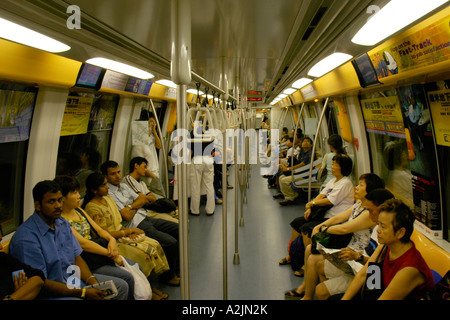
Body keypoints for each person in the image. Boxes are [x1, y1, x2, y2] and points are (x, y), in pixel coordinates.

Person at [8, 180, 129, 300]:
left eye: (59, 200)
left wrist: (92, 282)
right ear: (38, 205)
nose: (58, 206)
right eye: (51, 202)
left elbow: (76, 258)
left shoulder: (62, 223)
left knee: (121, 286)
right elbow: (40, 282)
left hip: (73, 281)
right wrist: (82, 293)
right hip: (52, 294)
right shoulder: (26, 239)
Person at [285, 188, 395, 300]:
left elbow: (372, 275)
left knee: (320, 289)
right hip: (358, 262)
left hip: (363, 272)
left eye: (371, 211)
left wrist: (357, 257)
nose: (369, 214)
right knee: (316, 263)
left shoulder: (386, 238)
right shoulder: (378, 229)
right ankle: (309, 293)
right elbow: (371, 261)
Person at [82, 172, 170, 299]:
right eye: (103, 185)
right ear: (94, 190)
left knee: (153, 244)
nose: (107, 187)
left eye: (106, 184)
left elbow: (118, 222)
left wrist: (128, 232)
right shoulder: (92, 208)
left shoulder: (108, 199)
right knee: (142, 255)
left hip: (122, 232)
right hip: (112, 241)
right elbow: (105, 234)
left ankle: (148, 286)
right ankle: (143, 290)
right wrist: (128, 232)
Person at [54, 175, 140, 300]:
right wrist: (111, 254)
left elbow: (99, 230)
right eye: (74, 193)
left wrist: (111, 240)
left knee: (136, 266)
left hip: (99, 253)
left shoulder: (79, 210)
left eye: (78, 191)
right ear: (62, 198)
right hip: (87, 259)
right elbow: (83, 244)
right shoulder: (62, 221)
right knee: (126, 279)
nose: (79, 195)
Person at [99, 161, 180, 286]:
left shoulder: (124, 186)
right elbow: (126, 216)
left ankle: (176, 269)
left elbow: (142, 199)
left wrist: (131, 206)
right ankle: (167, 277)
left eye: (119, 172)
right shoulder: (109, 193)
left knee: (178, 228)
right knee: (170, 242)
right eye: (113, 174)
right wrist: (136, 205)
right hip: (135, 224)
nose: (118, 176)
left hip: (144, 216)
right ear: (106, 177)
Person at [342, 199, 435, 300]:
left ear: (400, 232)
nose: (377, 230)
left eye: (383, 226)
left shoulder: (410, 268)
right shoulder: (386, 246)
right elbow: (364, 275)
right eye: (379, 224)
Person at [279, 154, 354, 273]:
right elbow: (322, 195)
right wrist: (311, 206)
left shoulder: (345, 183)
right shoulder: (333, 181)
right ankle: (292, 255)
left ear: (343, 167)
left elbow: (329, 200)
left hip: (334, 219)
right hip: (324, 214)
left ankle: (307, 264)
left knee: (305, 229)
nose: (332, 167)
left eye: (336, 165)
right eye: (333, 164)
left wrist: (312, 204)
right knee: (296, 223)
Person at [1, 230, 45, 300]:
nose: (1, 247)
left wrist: (14, 296)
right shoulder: (23, 238)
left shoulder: (3, 258)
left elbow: (38, 277)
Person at [131, 111, 164, 197]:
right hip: (148, 178)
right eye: (149, 125)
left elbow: (159, 146)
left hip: (154, 175)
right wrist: (153, 176)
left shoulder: (150, 138)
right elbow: (139, 165)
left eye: (153, 124)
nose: (151, 126)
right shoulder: (139, 144)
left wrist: (154, 131)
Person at [188, 119, 215, 216]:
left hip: (197, 158)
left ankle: (195, 210)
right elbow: (213, 148)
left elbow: (190, 149)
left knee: (195, 186)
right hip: (208, 158)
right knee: (209, 185)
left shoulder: (193, 132)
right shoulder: (210, 131)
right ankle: (210, 210)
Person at [277, 137, 314, 205]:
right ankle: (289, 195)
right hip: (299, 173)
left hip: (305, 175)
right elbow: (297, 164)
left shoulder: (310, 154)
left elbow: (302, 165)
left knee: (284, 180)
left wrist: (288, 169)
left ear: (311, 145)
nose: (305, 142)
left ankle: (291, 197)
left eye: (307, 141)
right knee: (281, 177)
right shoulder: (302, 153)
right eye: (304, 141)